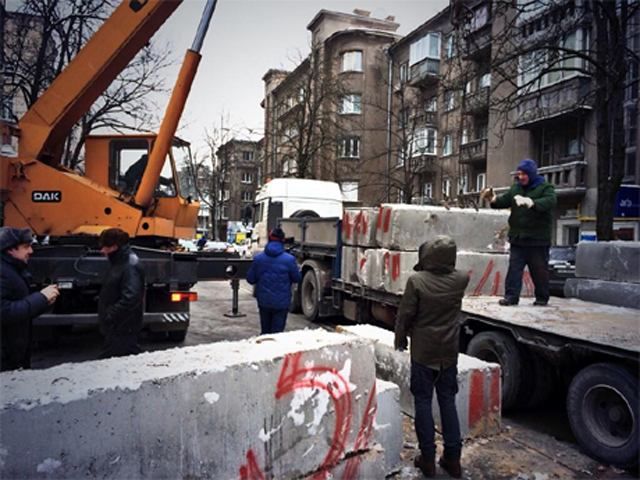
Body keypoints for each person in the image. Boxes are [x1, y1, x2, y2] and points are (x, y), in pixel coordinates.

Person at [395, 236, 469, 479]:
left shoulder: (416, 281)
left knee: (423, 402)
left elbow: (405, 314)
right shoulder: (461, 279)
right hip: (448, 351)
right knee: (448, 402)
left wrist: (400, 338)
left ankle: (427, 460)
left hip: (423, 352)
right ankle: (453, 459)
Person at [481, 158, 557, 306]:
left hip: (537, 240)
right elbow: (503, 201)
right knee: (514, 270)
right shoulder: (516, 188)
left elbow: (550, 201)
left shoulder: (545, 188)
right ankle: (511, 297)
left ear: (532, 174)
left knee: (539, 271)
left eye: (524, 174)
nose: (520, 177)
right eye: (519, 174)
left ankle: (542, 298)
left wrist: (532, 203)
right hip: (518, 239)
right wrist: (492, 199)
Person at [0, 227, 59, 371]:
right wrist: (40, 298)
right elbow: (3, 311)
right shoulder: (3, 272)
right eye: (26, 247)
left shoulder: (13, 269)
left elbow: (21, 307)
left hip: (13, 351)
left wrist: (45, 301)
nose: (31, 251)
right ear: (10, 250)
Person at [97, 227, 145, 358]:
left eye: (105, 247)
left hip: (122, 328)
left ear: (114, 247)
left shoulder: (129, 265)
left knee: (115, 364)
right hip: (119, 328)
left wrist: (110, 314)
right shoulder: (121, 262)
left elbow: (131, 297)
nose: (102, 251)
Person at [246, 227, 301, 334]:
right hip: (282, 303)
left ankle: (263, 349)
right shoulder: (289, 259)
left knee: (265, 332)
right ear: (282, 240)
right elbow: (297, 278)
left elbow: (250, 279)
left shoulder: (259, 258)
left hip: (264, 302)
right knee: (277, 335)